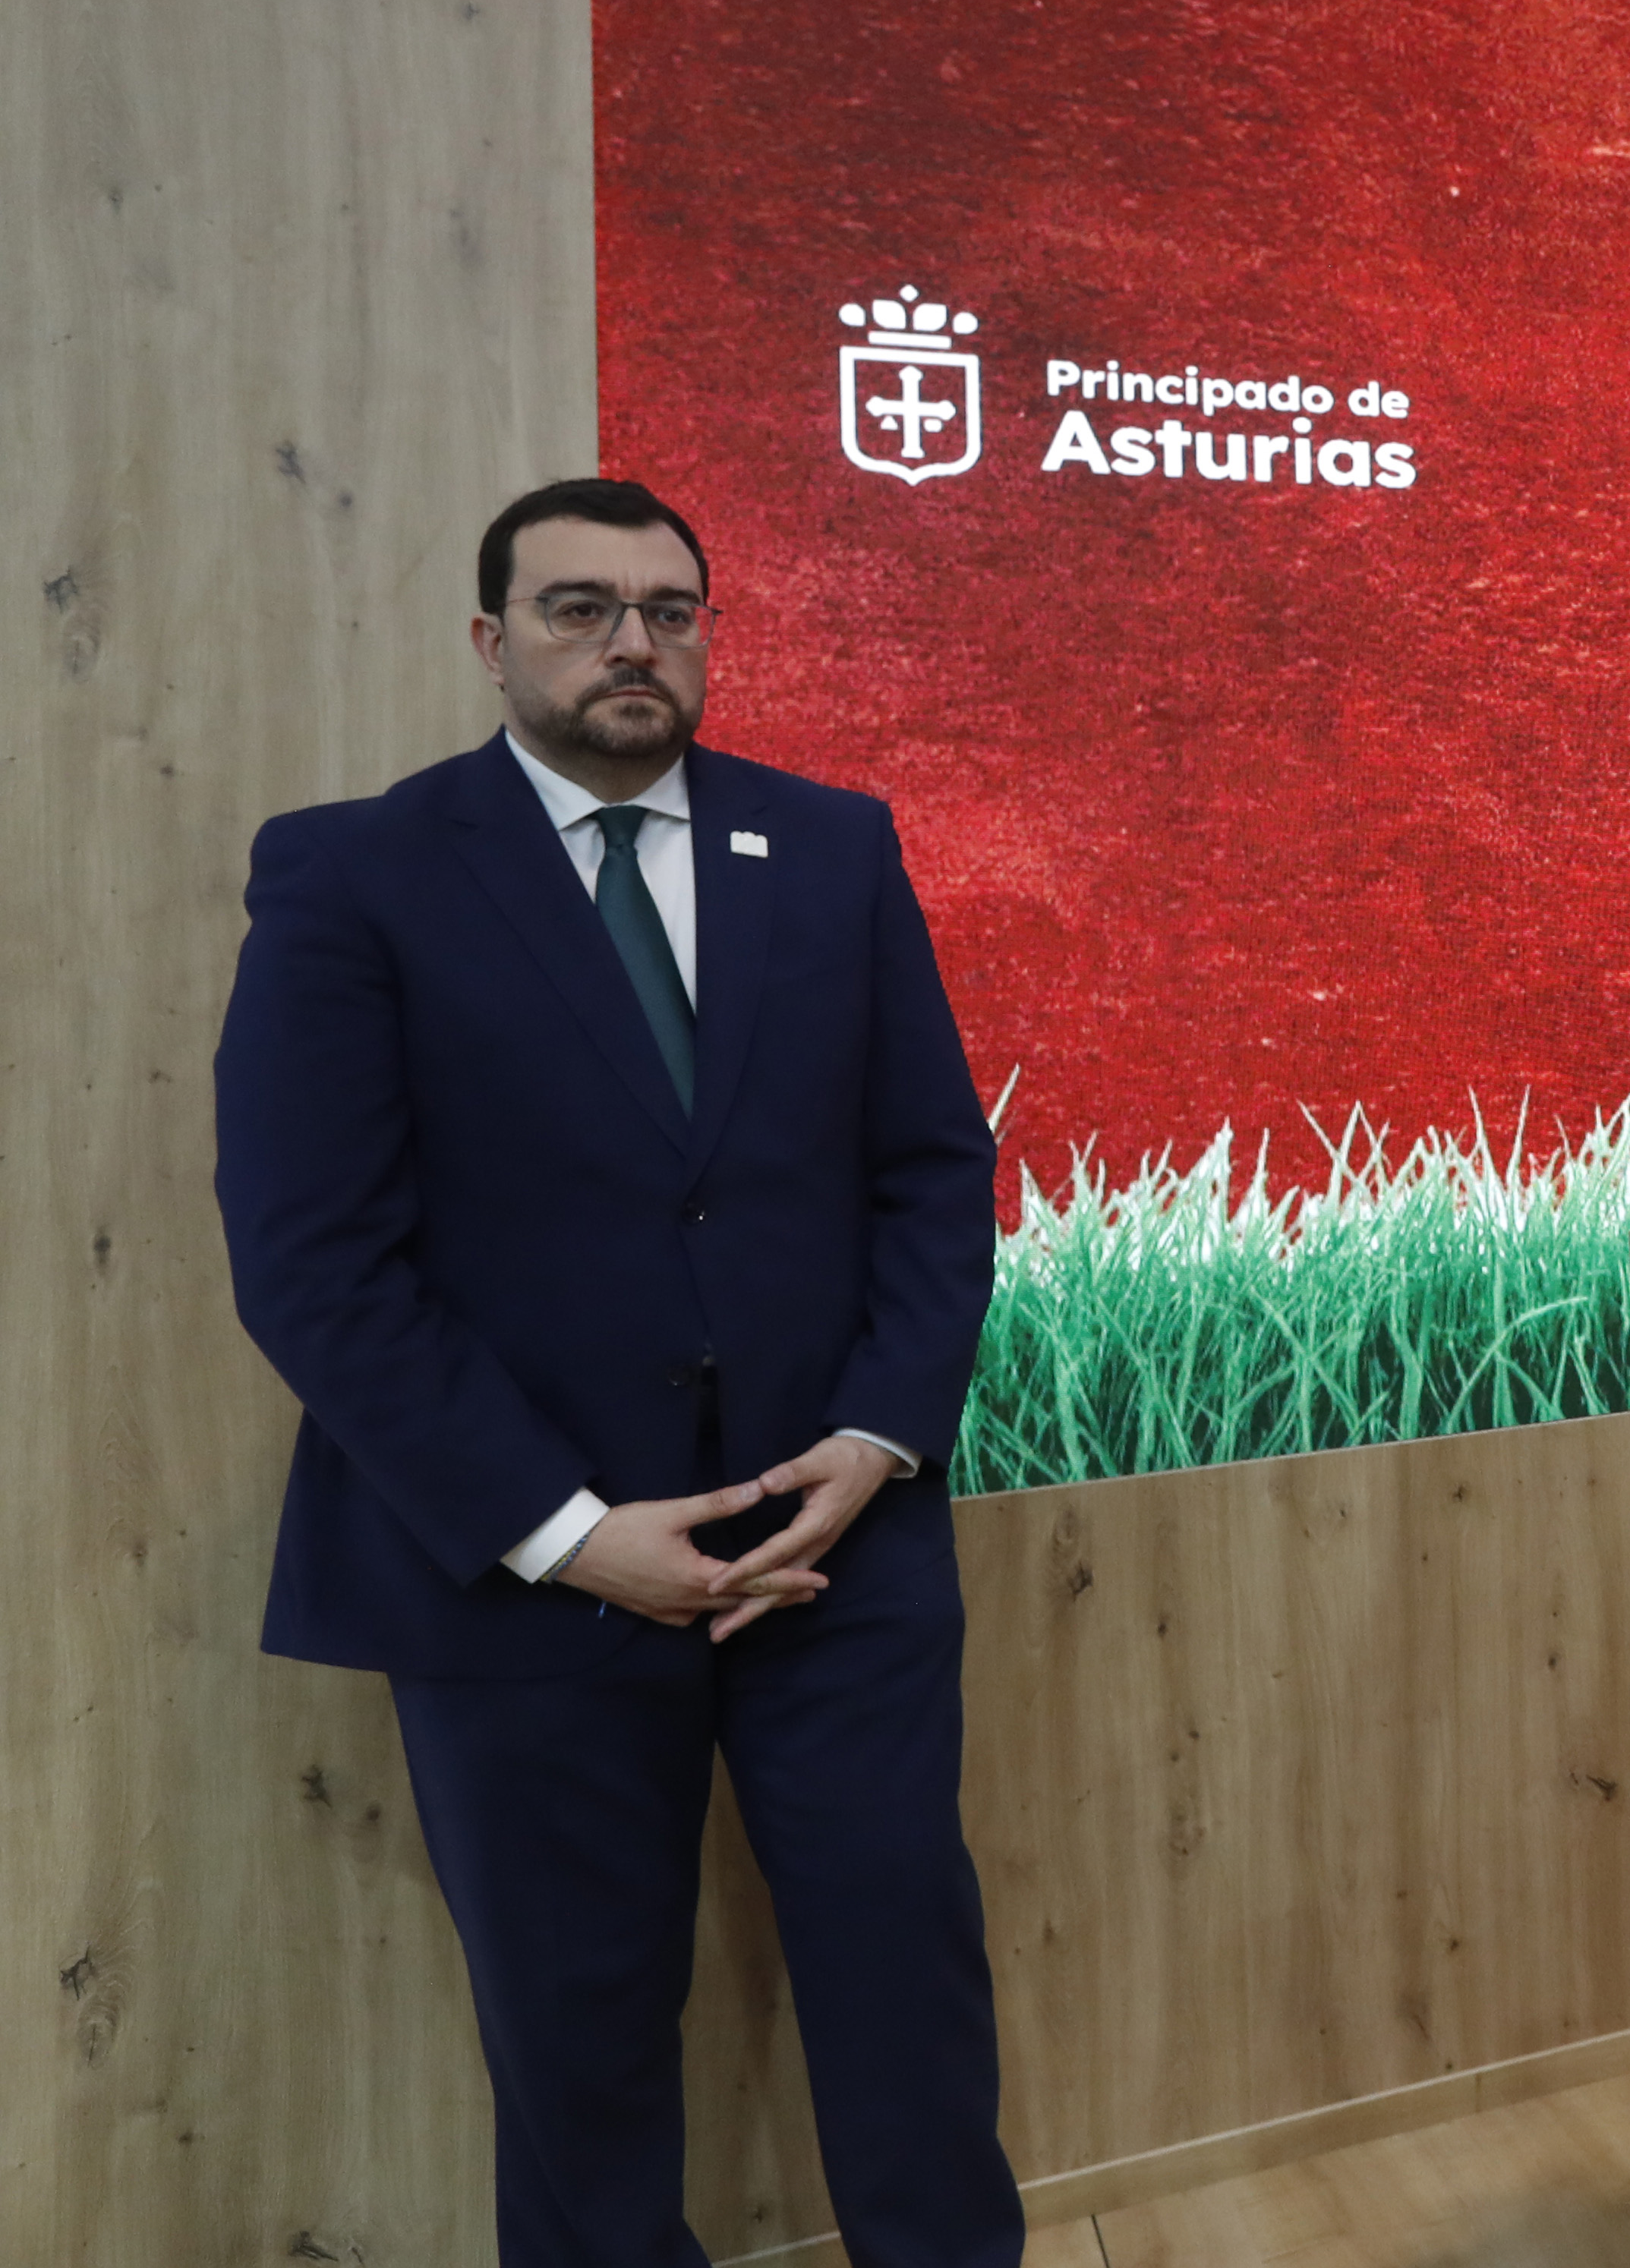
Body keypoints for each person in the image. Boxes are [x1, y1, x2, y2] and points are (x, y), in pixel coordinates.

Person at [212, 477, 1023, 2267]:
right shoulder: (358, 876)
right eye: (579, 608)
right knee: (577, 2057)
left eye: (669, 609)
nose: (631, 642)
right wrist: (572, 1534)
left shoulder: (831, 848)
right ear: (492, 641)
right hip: (527, 1582)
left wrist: (878, 1435)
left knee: (908, 1997)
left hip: (833, 1553)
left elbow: (929, 1172)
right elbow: (312, 1263)